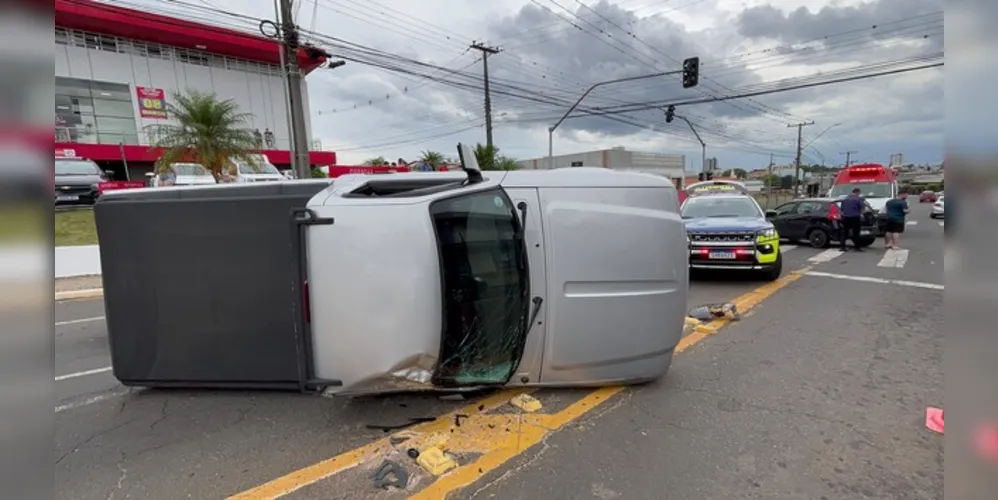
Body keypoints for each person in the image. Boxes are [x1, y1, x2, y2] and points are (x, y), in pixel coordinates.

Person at [839, 187, 865, 251]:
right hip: (855, 217)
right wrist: (861, 214)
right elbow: (862, 208)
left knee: (845, 232)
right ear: (857, 192)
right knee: (856, 232)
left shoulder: (845, 199)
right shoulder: (858, 199)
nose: (859, 194)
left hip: (846, 217)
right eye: (859, 193)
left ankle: (842, 247)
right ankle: (857, 247)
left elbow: (842, 209)